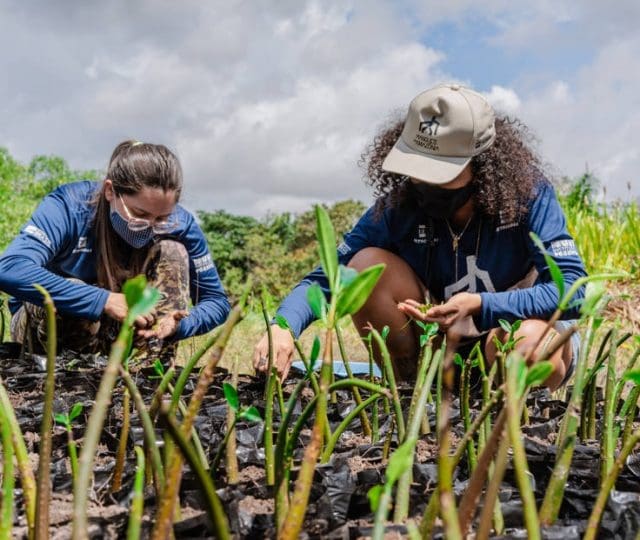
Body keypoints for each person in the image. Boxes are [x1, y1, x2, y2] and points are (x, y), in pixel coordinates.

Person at [254, 83, 586, 390]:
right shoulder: (401, 206)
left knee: (524, 341)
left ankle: (507, 418)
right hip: (442, 345)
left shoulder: (529, 197)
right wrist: (283, 325)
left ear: (481, 163)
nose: (424, 183)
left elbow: (575, 292)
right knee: (365, 265)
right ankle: (411, 390)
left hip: (510, 334)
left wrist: (482, 305)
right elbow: (330, 276)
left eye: (440, 171)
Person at [0, 140, 230, 363]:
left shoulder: (181, 224)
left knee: (173, 251)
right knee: (76, 288)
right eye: (139, 215)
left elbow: (216, 301)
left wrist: (181, 324)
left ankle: (146, 376)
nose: (150, 226)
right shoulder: (68, 207)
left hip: (124, 330)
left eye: (161, 218)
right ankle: (71, 378)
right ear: (110, 191)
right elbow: (10, 268)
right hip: (46, 330)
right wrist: (102, 300)